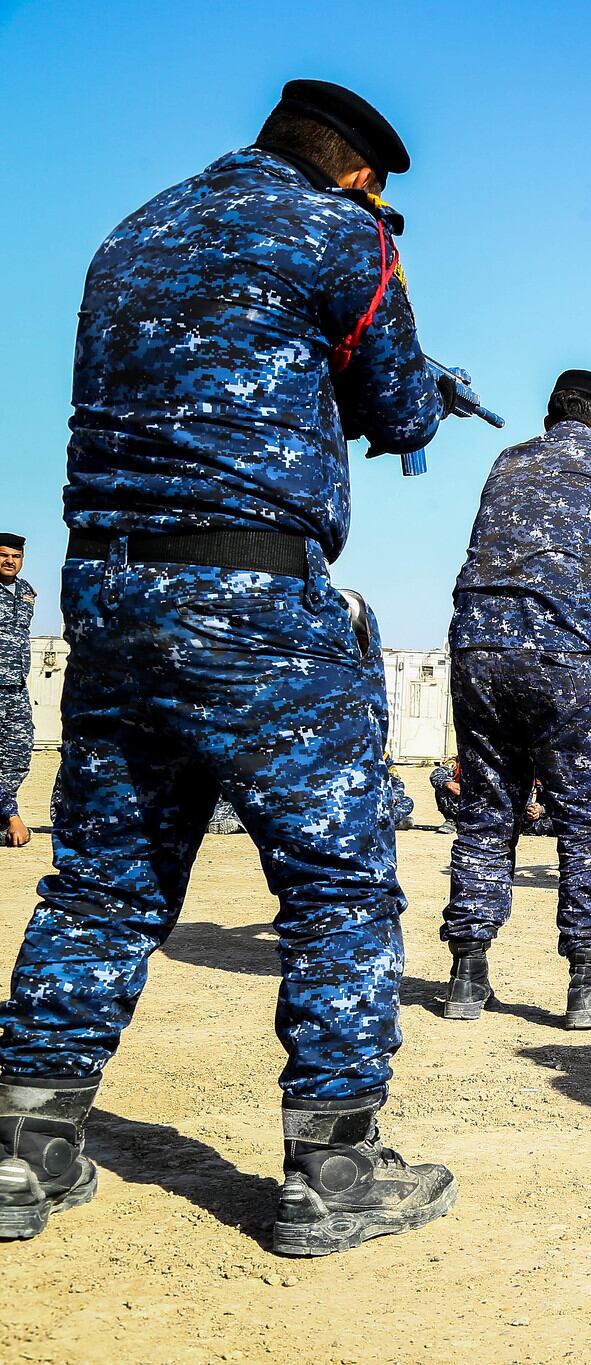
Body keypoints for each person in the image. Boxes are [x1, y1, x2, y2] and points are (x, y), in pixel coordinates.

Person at [0, 80, 456, 1255]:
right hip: (252, 594)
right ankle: (335, 1172)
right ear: (358, 172)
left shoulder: (131, 231)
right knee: (339, 880)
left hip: (110, 590)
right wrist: (410, 366)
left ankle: (26, 1145)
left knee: (101, 881)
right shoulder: (338, 235)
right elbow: (400, 412)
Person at [439, 369, 591, 1032]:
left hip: (476, 647)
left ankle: (466, 981)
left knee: (484, 811)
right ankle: (589, 983)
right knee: (589, 815)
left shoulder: (507, 458)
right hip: (559, 653)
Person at [0, 533, 34, 848]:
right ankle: (9, 815)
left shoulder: (25, 592)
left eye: (16, 556)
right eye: (3, 555)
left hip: (17, 687)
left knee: (19, 754)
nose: (10, 561)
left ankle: (4, 811)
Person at [428, 758, 462, 831]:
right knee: (443, 786)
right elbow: (437, 774)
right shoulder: (456, 762)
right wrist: (447, 783)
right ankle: (452, 820)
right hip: (461, 800)